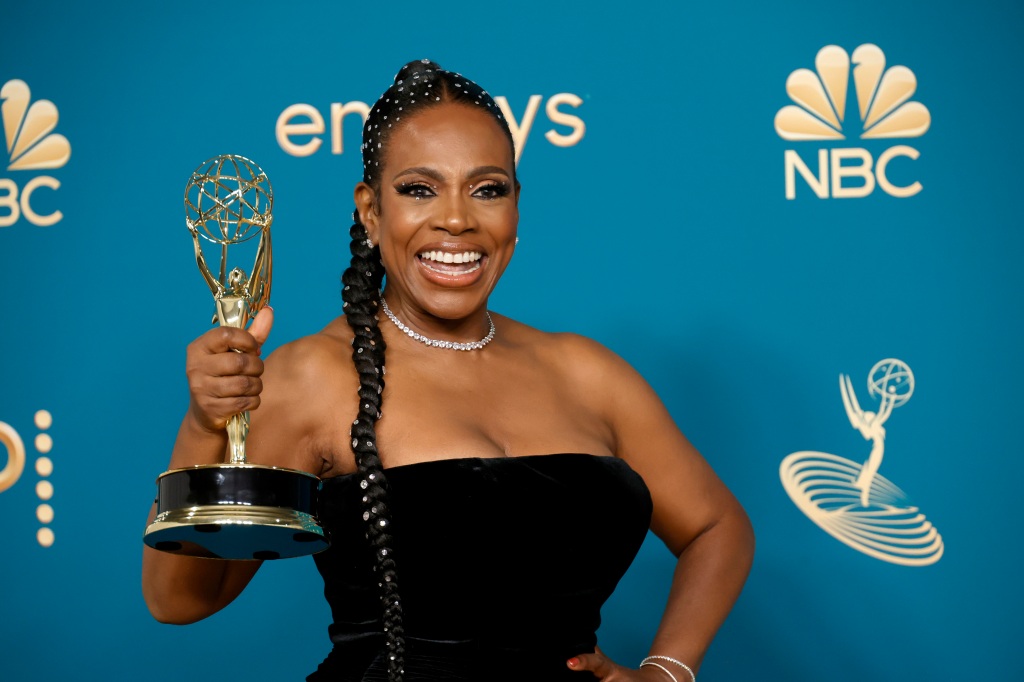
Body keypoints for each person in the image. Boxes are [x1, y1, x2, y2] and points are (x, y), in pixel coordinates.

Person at [142, 59, 754, 682]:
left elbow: (717, 527)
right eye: (419, 189)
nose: (457, 219)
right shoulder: (311, 378)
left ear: (517, 207)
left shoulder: (588, 372)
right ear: (371, 211)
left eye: (487, 189)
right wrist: (203, 425)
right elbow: (180, 599)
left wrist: (668, 669)